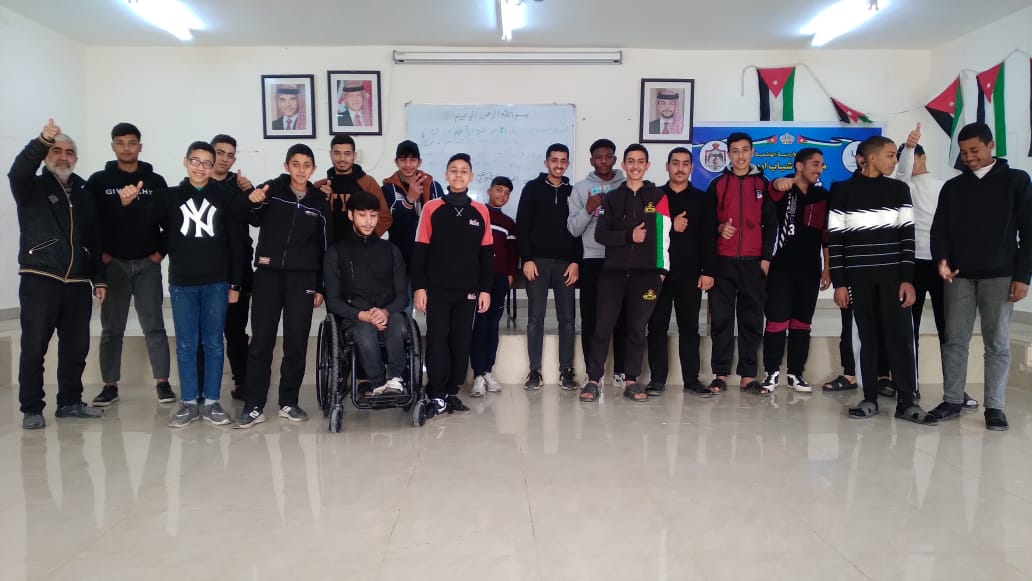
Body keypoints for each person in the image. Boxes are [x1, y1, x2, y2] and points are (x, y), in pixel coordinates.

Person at [120, 141, 245, 427]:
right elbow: (142, 223)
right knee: (186, 344)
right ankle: (189, 402)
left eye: (206, 163)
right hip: (182, 283)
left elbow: (236, 243)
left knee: (214, 343)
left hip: (216, 282)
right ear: (185, 162)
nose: (200, 168)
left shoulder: (226, 197)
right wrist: (128, 203)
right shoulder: (168, 197)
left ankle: (211, 402)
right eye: (195, 161)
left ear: (213, 166)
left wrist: (236, 284)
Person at [928, 122, 1032, 430]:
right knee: (954, 340)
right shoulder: (953, 187)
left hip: (1001, 275)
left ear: (991, 146)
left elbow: (1029, 231)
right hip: (960, 276)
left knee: (997, 343)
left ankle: (995, 408)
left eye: (974, 150)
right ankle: (952, 400)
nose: (969, 157)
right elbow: (940, 230)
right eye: (963, 152)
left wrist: (1023, 276)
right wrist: (942, 260)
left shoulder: (1016, 181)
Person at [828, 135, 935, 425]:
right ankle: (869, 398)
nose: (895, 161)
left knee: (900, 338)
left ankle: (907, 402)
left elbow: (907, 237)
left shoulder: (898, 189)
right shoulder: (842, 191)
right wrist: (840, 283)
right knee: (867, 338)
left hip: (893, 279)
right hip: (859, 279)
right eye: (890, 155)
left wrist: (907, 279)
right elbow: (835, 241)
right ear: (871, 157)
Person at [10, 119, 106, 429]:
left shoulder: (84, 193)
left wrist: (99, 278)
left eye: (69, 152)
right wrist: (41, 140)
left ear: (76, 158)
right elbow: (18, 171)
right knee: (34, 347)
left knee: (76, 348)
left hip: (77, 283)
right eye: (56, 151)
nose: (63, 157)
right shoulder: (31, 187)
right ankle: (31, 407)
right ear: (46, 156)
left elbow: (95, 239)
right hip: (41, 278)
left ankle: (70, 402)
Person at [235, 144, 333, 428]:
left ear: (313, 169)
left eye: (307, 165)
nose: (301, 170)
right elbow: (248, 215)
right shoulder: (272, 190)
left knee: (296, 342)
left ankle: (288, 402)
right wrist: (252, 199)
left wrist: (321, 287)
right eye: (296, 164)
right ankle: (254, 405)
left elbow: (325, 247)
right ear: (287, 166)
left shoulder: (319, 203)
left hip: (303, 279)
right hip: (267, 275)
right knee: (261, 342)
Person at [86, 122, 174, 406]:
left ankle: (162, 382)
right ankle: (109, 385)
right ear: (113, 146)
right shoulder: (98, 182)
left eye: (132, 142)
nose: (126, 148)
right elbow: (90, 223)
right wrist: (101, 255)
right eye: (120, 142)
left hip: (148, 264)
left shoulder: (155, 181)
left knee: (154, 325)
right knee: (112, 328)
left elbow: (170, 222)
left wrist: (160, 254)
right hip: (114, 264)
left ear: (140, 146)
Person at [895, 123, 979, 408]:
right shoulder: (903, 186)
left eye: (913, 156)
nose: (909, 163)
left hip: (942, 265)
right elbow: (903, 171)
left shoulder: (945, 185)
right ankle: (910, 387)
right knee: (910, 329)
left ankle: (955, 390)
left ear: (924, 157)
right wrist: (908, 147)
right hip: (911, 265)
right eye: (903, 159)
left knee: (950, 330)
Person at [579, 144, 667, 403]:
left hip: (647, 274)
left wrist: (661, 271)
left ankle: (631, 380)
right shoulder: (613, 198)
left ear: (647, 166)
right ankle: (593, 379)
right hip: (613, 273)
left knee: (637, 328)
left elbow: (664, 237)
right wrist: (630, 236)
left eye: (640, 161)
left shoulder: (658, 197)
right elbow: (601, 234)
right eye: (631, 161)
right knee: (603, 326)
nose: (635, 166)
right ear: (624, 165)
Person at [412, 153, 493, 419]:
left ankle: (451, 391)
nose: (459, 175)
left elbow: (486, 255)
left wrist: (485, 289)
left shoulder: (480, 211)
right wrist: (419, 287)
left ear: (470, 176)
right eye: (454, 170)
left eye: (464, 171)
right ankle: (436, 393)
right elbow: (420, 251)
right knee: (437, 340)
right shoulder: (432, 208)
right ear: (446, 175)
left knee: (461, 342)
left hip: (467, 291)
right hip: (437, 290)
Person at [706, 132, 775, 394]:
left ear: (752, 152)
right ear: (728, 154)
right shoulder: (718, 184)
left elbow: (772, 225)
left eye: (745, 150)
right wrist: (719, 228)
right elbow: (707, 223)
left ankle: (748, 376)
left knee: (752, 320)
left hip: (753, 263)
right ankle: (720, 374)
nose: (740, 156)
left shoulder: (763, 185)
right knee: (721, 319)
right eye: (735, 151)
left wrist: (766, 259)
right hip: (722, 263)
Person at [645, 147, 716, 397]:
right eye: (675, 163)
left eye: (685, 164)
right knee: (657, 327)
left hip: (690, 274)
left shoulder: (702, 199)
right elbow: (645, 233)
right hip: (658, 274)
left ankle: (692, 380)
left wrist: (708, 271)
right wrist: (671, 226)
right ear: (667, 166)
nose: (680, 168)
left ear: (691, 168)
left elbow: (709, 238)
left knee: (689, 327)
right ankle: (657, 379)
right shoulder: (654, 197)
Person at [324, 191, 409, 395]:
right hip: (354, 316)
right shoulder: (336, 252)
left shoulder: (391, 250)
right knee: (364, 330)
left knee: (398, 324)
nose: (368, 221)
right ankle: (377, 383)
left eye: (373, 215)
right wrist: (361, 315)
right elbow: (333, 300)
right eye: (362, 215)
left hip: (388, 313)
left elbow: (403, 296)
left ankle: (396, 380)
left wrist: (385, 312)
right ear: (351, 215)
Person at [759, 148, 830, 395]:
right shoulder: (783, 188)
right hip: (780, 269)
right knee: (777, 321)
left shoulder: (822, 195)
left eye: (821, 165)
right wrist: (779, 183)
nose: (819, 169)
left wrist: (827, 268)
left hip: (810, 270)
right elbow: (773, 189)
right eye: (815, 164)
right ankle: (771, 372)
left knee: (802, 324)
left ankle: (795, 373)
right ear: (800, 165)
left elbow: (826, 235)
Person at [516, 144, 581, 390]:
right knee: (535, 318)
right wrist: (527, 259)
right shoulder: (532, 189)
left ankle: (566, 370)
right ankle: (534, 371)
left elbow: (579, 229)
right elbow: (522, 225)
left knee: (568, 319)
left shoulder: (573, 192)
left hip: (566, 264)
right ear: (546, 162)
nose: (559, 165)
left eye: (563, 161)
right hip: (537, 263)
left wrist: (576, 261)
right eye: (554, 160)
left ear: (568, 164)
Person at [568, 138, 629, 388]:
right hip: (592, 259)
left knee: (623, 316)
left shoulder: (626, 185)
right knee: (591, 317)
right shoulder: (580, 189)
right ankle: (594, 372)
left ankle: (622, 369)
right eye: (598, 157)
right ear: (591, 160)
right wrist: (588, 209)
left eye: (608, 156)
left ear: (615, 159)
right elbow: (573, 229)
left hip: (622, 258)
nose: (603, 161)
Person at [209, 134, 255, 399]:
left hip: (239, 269)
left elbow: (257, 218)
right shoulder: (197, 185)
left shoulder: (240, 186)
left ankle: (242, 382)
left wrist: (249, 192)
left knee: (236, 330)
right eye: (220, 153)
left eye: (230, 155)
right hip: (207, 269)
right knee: (207, 331)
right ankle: (204, 387)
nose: (224, 159)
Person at [470, 177, 518, 397]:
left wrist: (510, 274)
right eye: (498, 190)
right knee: (479, 326)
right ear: (489, 191)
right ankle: (477, 375)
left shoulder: (508, 222)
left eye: (506, 193)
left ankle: (488, 371)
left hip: (500, 279)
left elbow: (512, 251)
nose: (502, 195)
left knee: (492, 327)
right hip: (479, 279)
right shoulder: (477, 213)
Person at [314, 134, 391, 243]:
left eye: (347, 153)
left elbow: (384, 217)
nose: (342, 158)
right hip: (328, 249)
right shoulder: (320, 186)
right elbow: (311, 220)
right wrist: (320, 198)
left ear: (354, 156)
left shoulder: (368, 183)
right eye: (337, 153)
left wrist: (367, 241)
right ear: (330, 154)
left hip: (360, 249)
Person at [382, 140, 445, 271]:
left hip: (430, 258)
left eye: (412, 160)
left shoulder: (434, 187)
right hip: (400, 259)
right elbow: (392, 226)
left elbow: (443, 222)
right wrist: (409, 200)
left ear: (419, 162)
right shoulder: (387, 190)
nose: (408, 165)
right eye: (403, 160)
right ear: (396, 162)